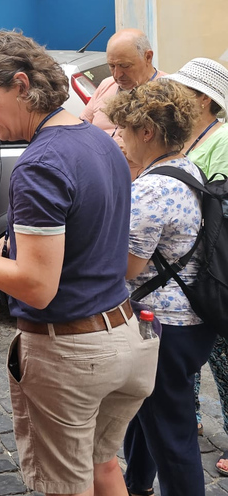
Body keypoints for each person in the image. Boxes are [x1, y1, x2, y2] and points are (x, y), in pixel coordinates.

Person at [0, 31, 159, 496]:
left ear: (21, 84)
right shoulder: (100, 140)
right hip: (124, 338)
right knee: (104, 467)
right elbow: (88, 236)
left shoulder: (40, 163)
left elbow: (36, 286)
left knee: (66, 485)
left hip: (72, 354)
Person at [104, 78, 217, 496]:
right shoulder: (186, 168)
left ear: (146, 131)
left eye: (123, 130)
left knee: (173, 435)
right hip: (189, 319)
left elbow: (128, 267)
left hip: (164, 327)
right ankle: (138, 484)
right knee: (143, 413)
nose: (119, 139)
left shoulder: (153, 188)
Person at [165, 58, 228, 474]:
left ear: (204, 99)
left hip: (212, 268)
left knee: (223, 359)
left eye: (183, 92)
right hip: (188, 271)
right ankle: (188, 422)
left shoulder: (222, 138)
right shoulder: (191, 136)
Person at [80, 28, 167, 179]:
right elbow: (81, 127)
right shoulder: (106, 84)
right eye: (112, 66)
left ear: (148, 57)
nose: (117, 75)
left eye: (125, 66)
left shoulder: (168, 89)